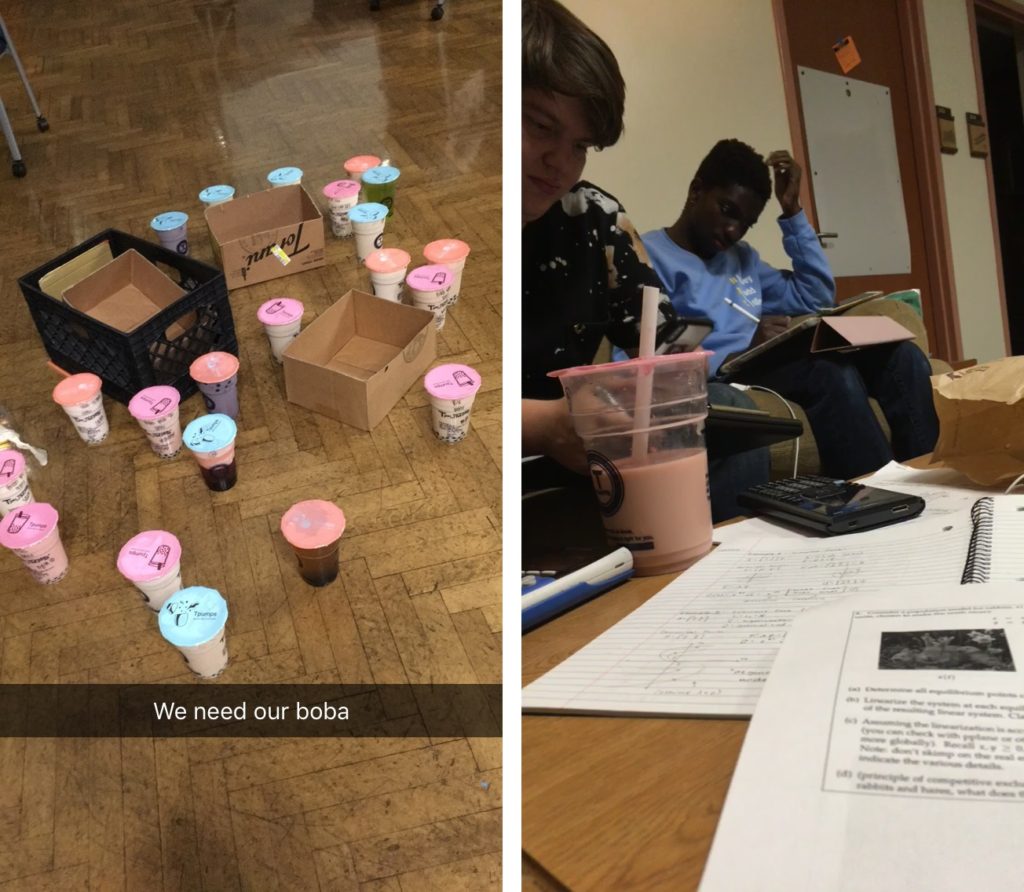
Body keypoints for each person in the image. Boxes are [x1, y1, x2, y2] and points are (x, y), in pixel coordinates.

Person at [521, 0, 768, 521]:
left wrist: (667, 384)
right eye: (541, 127)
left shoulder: (598, 219)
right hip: (515, 453)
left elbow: (666, 343)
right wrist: (541, 424)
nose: (561, 162)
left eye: (582, 145)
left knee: (735, 414)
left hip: (586, 450)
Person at [641, 138, 939, 479]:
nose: (733, 231)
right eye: (728, 211)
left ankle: (934, 479)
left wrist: (793, 211)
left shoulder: (742, 259)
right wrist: (738, 350)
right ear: (697, 191)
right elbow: (650, 361)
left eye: (747, 224)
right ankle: (881, 495)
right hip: (728, 375)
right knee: (828, 372)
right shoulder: (649, 257)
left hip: (769, 360)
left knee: (903, 357)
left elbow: (816, 297)